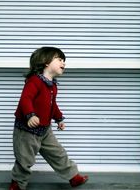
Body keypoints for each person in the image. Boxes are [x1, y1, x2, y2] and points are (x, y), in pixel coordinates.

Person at [9, 47, 88, 190]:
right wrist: (30, 115)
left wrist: (59, 119)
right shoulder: (34, 81)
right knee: (24, 159)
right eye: (59, 59)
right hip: (27, 130)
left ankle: (73, 177)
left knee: (58, 153)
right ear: (46, 62)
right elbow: (25, 99)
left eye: (64, 60)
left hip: (44, 130)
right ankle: (17, 184)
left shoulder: (52, 85)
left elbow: (52, 105)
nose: (63, 62)